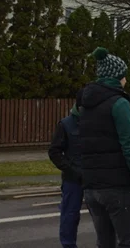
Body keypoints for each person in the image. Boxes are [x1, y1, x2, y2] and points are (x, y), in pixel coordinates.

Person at [80, 47, 130, 248]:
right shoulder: (119, 104)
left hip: (92, 187)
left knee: (104, 243)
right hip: (116, 187)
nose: (126, 80)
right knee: (128, 242)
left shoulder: (85, 103)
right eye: (124, 76)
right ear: (117, 77)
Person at [48, 88, 85, 248]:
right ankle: (68, 245)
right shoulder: (66, 124)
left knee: (102, 216)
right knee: (70, 215)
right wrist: (70, 169)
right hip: (73, 179)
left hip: (94, 177)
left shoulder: (96, 123)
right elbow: (54, 152)